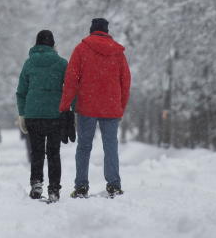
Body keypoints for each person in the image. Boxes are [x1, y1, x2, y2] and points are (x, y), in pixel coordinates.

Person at [59, 17, 131, 198]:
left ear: (91, 30)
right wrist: (120, 107)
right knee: (110, 146)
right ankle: (114, 185)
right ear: (107, 31)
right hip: (111, 106)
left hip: (87, 106)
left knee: (84, 146)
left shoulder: (81, 49)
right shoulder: (118, 53)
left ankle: (81, 186)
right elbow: (126, 82)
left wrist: (65, 105)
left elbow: (71, 80)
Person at [16, 29, 68, 202]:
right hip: (54, 114)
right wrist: (71, 111)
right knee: (54, 153)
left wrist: (22, 114)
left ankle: (36, 185)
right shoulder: (61, 64)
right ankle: (54, 189)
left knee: (37, 152)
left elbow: (21, 92)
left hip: (33, 114)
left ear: (36, 45)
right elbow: (69, 90)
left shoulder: (29, 64)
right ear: (53, 45)